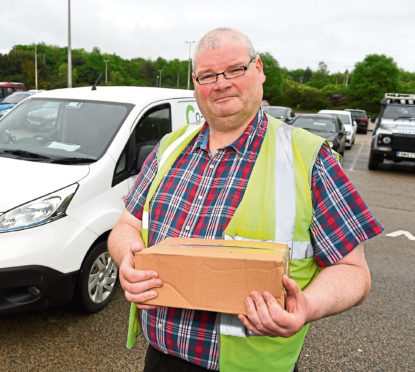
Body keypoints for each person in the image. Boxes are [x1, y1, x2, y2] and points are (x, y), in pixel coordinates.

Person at [108, 27, 382, 372]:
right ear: (195, 84)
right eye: (207, 75)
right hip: (160, 360)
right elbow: (126, 226)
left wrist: (307, 307)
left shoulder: (308, 158)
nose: (220, 83)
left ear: (259, 69)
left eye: (234, 69)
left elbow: (353, 272)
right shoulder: (169, 148)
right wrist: (126, 261)